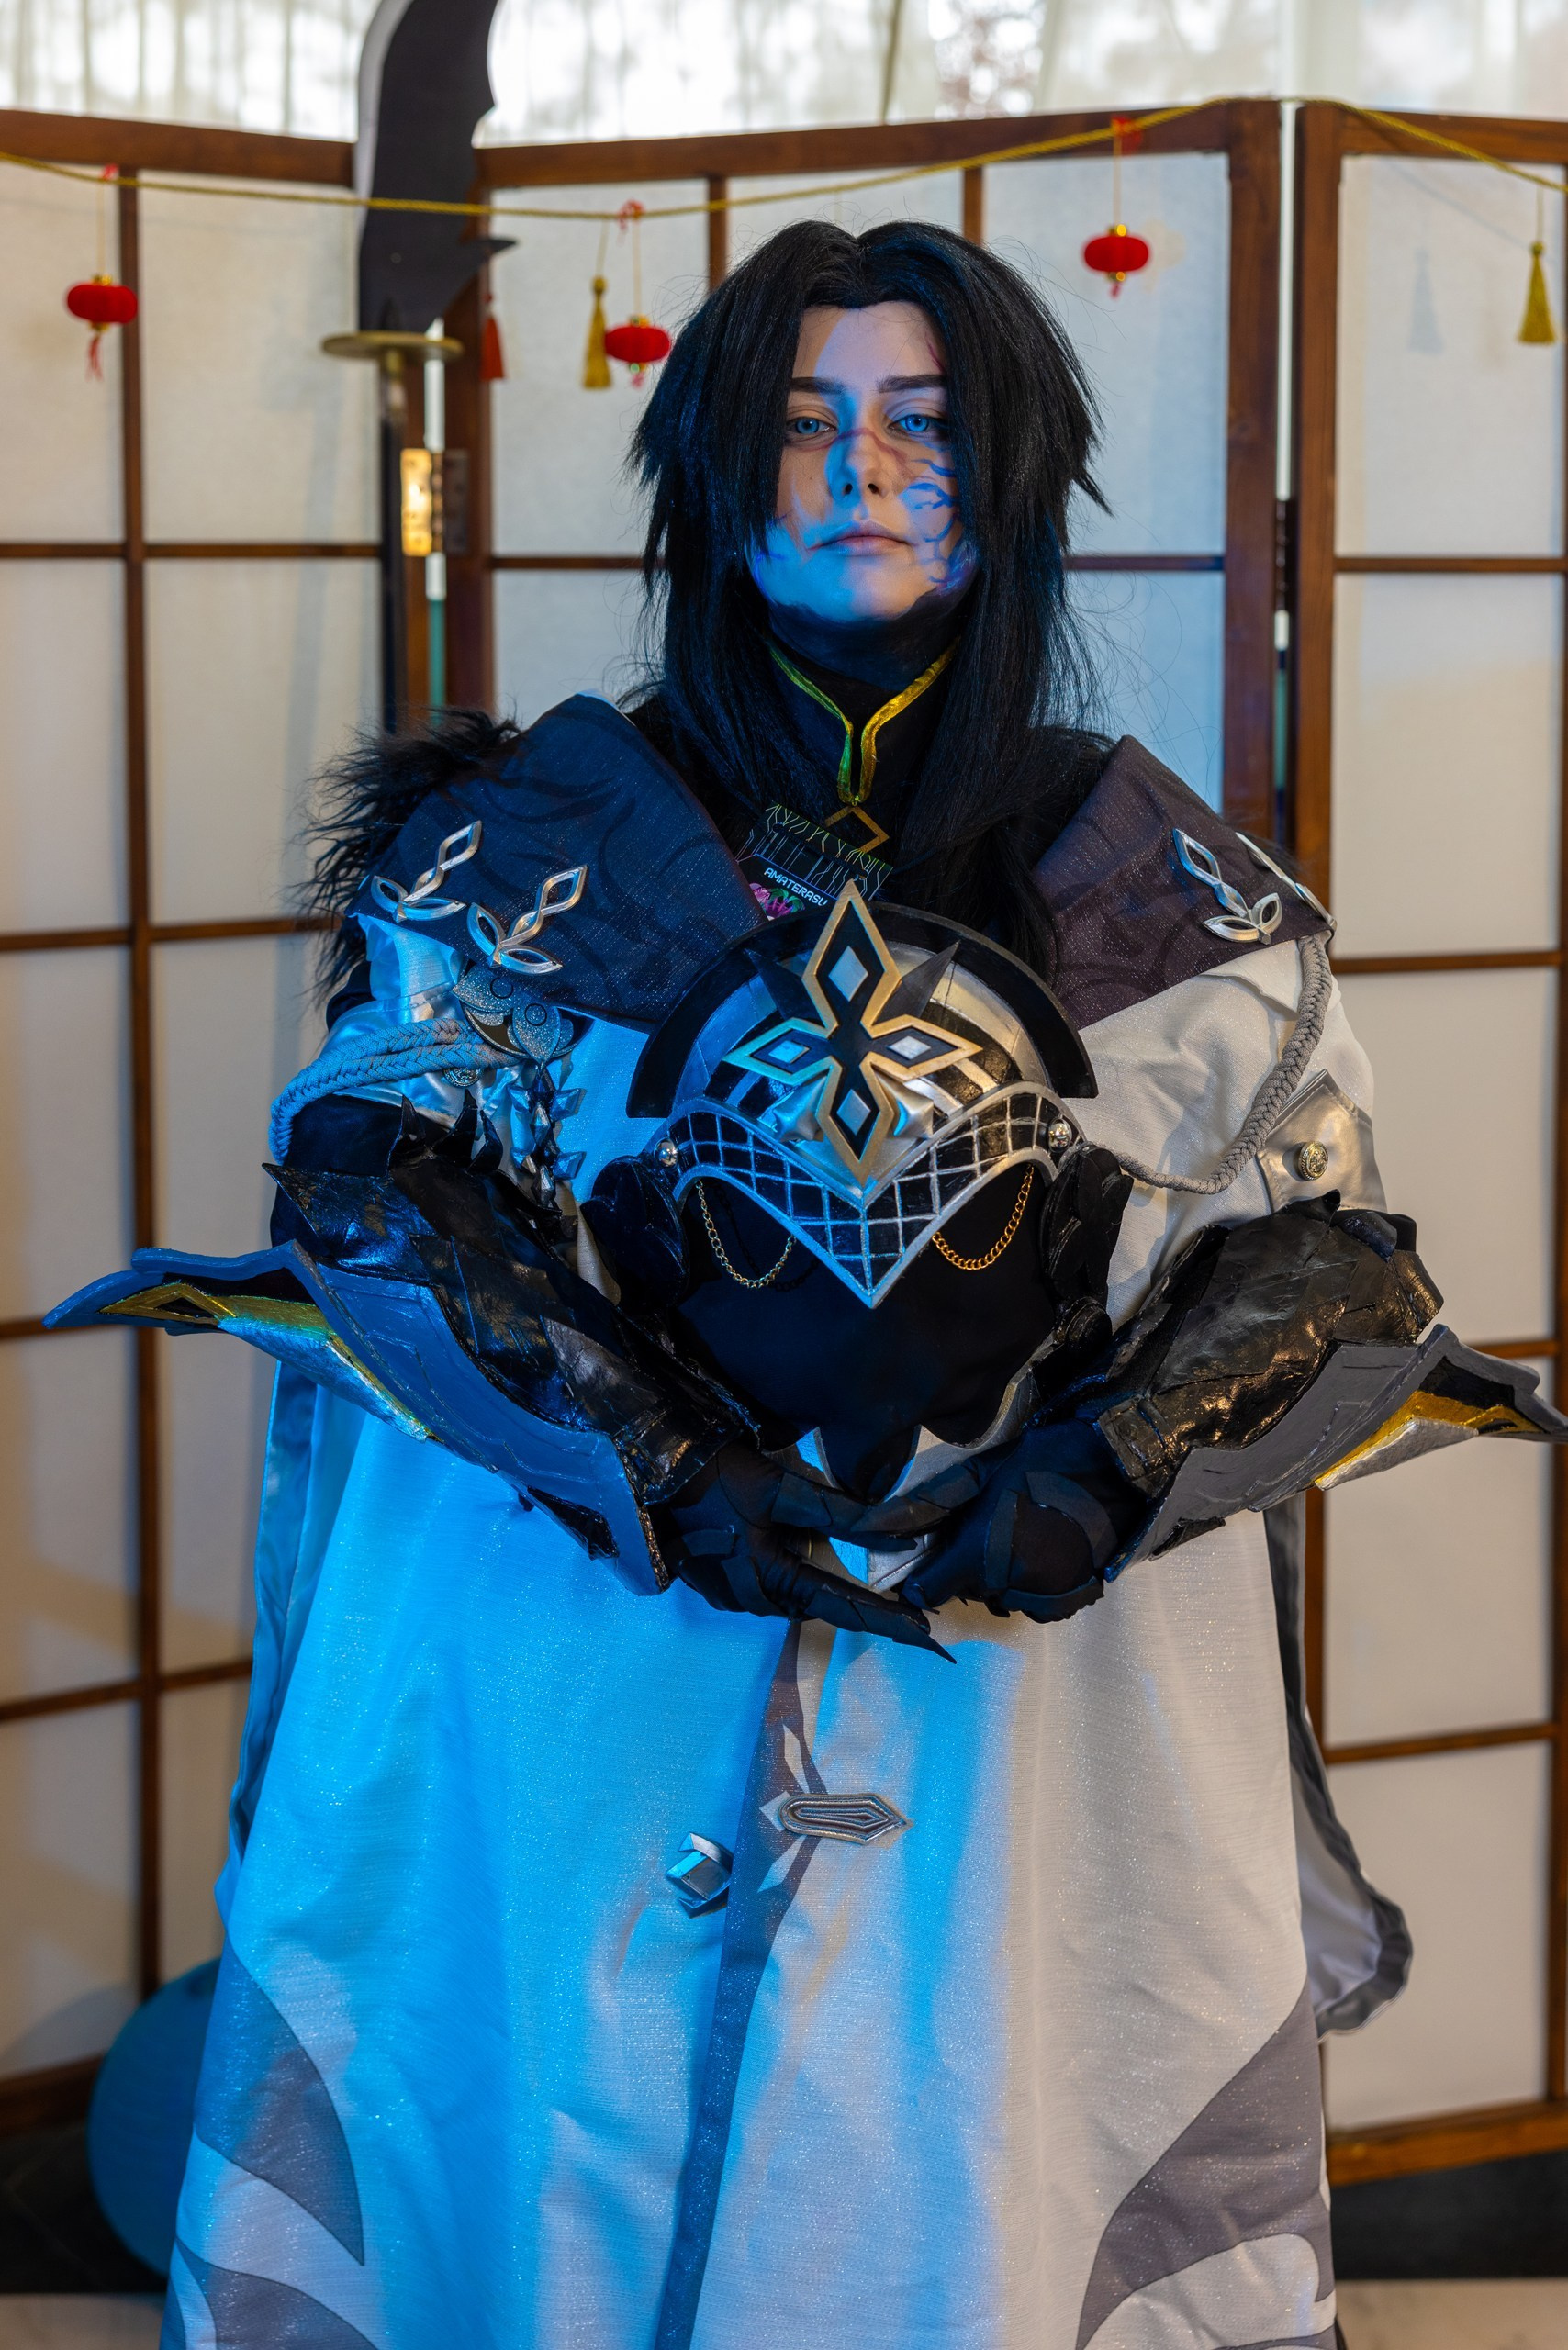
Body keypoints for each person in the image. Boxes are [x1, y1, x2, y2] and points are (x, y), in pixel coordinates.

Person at [53, 220, 1562, 2350]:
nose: (862, 469)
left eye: (923, 425)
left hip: (1023, 1664)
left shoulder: (1143, 869)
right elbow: (372, 1182)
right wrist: (653, 1457)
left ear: (1006, 480)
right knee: (551, 2105)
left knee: (976, 2113)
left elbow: (1326, 1243)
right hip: (582, 1621)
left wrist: (1106, 1463)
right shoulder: (531, 846)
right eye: (800, 422)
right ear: (710, 477)